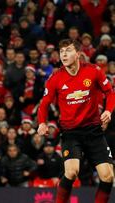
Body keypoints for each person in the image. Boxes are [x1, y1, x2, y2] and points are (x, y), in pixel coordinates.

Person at [37, 39, 115, 203]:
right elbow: (44, 104)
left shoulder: (93, 71)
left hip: (94, 131)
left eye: (68, 50)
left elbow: (110, 92)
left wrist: (108, 110)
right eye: (61, 51)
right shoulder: (55, 78)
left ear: (78, 54)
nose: (64, 54)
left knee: (108, 176)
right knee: (72, 172)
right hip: (71, 133)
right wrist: (42, 122)